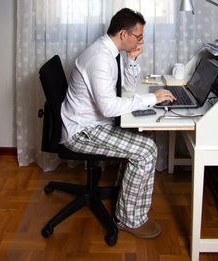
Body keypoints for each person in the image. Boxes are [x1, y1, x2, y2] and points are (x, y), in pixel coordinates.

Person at [60, 8, 175, 239]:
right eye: (139, 36)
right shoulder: (100, 58)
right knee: (146, 151)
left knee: (146, 138)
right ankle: (128, 220)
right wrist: (152, 98)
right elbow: (109, 107)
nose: (141, 40)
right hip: (82, 131)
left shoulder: (109, 51)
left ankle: (126, 201)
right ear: (124, 34)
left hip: (95, 122)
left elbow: (128, 89)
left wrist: (131, 59)